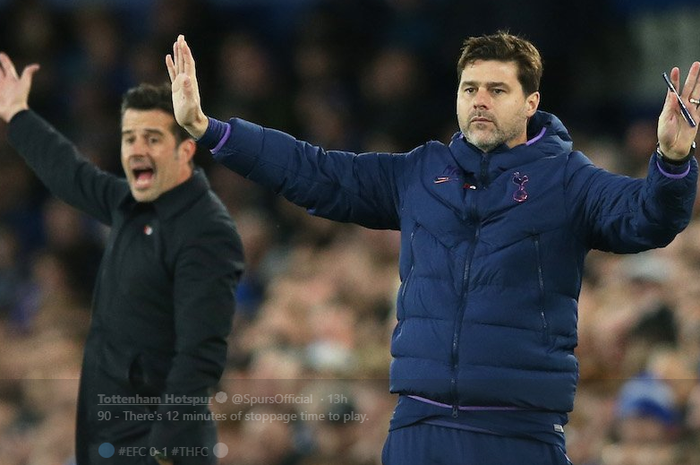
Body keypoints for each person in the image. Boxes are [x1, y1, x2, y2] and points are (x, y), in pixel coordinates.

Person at [166, 31, 699, 464]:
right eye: (470, 89)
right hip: (418, 427)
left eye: (497, 89)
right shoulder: (421, 172)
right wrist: (211, 131)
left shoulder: (569, 181)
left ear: (531, 101)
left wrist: (672, 163)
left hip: (518, 433)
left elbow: (645, 221)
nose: (480, 101)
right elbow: (317, 172)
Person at [0, 53, 244, 465]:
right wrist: (18, 115)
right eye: (129, 137)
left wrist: (167, 448)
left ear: (186, 150)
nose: (135, 150)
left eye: (152, 138)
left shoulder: (207, 231)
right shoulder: (130, 205)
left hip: (156, 445)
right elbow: (71, 174)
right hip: (108, 437)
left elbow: (199, 354)